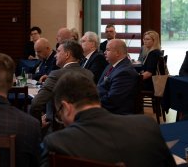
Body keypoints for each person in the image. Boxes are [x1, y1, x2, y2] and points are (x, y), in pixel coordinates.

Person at [40, 71, 176, 167]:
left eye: (59, 115)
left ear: (66, 107)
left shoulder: (56, 143)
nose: (62, 120)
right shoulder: (147, 125)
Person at [30, 40, 94, 127]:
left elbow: (36, 103)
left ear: (67, 55)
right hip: (84, 125)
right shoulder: (89, 74)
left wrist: (39, 124)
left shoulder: (56, 75)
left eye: (58, 51)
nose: (55, 55)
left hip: (58, 126)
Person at [97, 39, 139, 114]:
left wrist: (91, 103)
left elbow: (112, 101)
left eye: (108, 50)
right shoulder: (111, 65)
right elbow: (100, 85)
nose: (104, 52)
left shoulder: (125, 73)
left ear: (117, 53)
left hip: (115, 114)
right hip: (103, 105)